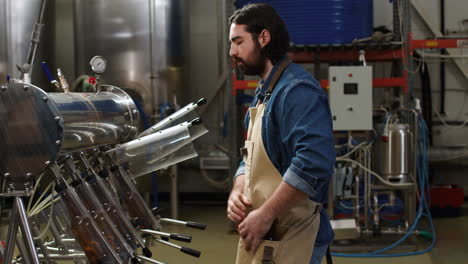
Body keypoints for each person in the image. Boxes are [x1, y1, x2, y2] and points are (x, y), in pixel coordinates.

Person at [226, 3, 335, 264]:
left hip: (293, 235)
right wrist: (238, 189)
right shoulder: (266, 91)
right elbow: (249, 157)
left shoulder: (296, 91)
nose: (232, 52)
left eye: (238, 42)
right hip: (267, 234)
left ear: (263, 38)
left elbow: (313, 165)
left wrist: (266, 214)